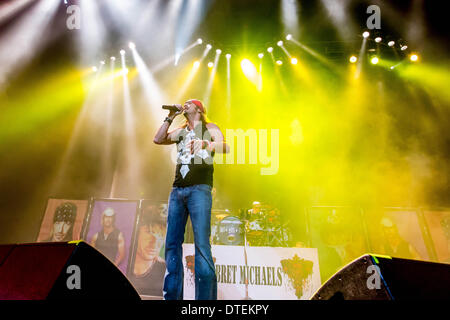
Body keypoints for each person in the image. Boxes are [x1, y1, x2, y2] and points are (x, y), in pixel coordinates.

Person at [153, 99, 229, 300]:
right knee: (171, 243)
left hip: (200, 189)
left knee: (202, 244)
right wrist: (170, 116)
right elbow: (158, 139)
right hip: (178, 190)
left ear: (199, 108)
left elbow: (225, 147)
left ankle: (204, 302)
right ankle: (171, 297)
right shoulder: (181, 130)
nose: (184, 104)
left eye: (189, 103)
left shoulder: (209, 127)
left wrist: (206, 143)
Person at [128, 204, 166, 297]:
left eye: (160, 235)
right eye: (149, 232)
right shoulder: (123, 264)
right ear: (136, 233)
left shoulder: (166, 272)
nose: (154, 242)